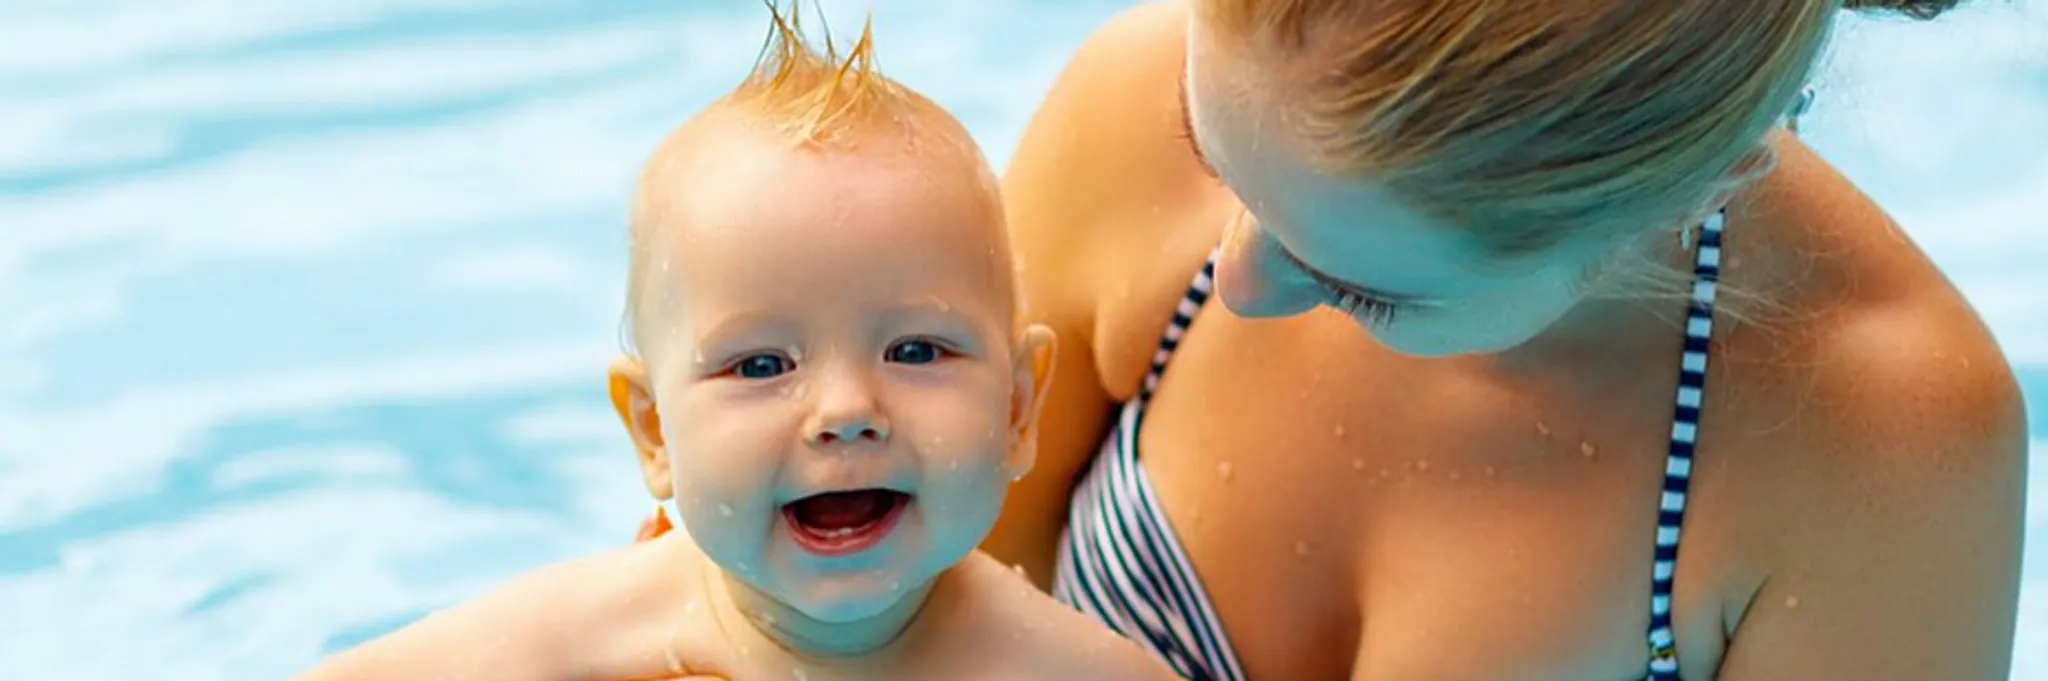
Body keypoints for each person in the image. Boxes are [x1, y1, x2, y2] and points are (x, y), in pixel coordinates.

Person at [981, 0, 2030, 679]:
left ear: (1669, 206)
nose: (1237, 282)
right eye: (1207, 151)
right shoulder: (1129, 96)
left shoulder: (1880, 443)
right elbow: (898, 606)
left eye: (1360, 288)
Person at [286, 5, 1181, 681]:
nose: (845, 411)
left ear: (1020, 406)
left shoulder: (1070, 668)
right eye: (761, 366)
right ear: (654, 434)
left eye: (914, 351)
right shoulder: (591, 631)